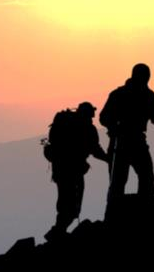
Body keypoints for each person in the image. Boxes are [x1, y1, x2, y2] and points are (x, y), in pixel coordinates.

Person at [99, 63, 154, 208]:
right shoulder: (146, 95)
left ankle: (116, 214)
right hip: (129, 142)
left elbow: (103, 117)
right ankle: (140, 210)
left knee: (122, 182)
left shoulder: (119, 94)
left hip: (124, 142)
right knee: (139, 179)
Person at [42, 102, 109, 241]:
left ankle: (58, 231)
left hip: (60, 169)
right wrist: (108, 159)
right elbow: (95, 149)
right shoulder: (87, 128)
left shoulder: (65, 122)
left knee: (64, 200)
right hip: (74, 171)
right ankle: (57, 232)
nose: (93, 118)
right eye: (91, 114)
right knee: (73, 204)